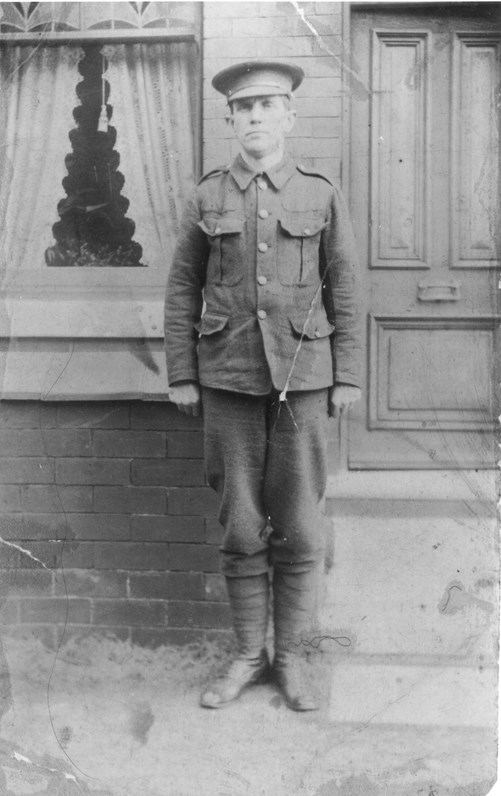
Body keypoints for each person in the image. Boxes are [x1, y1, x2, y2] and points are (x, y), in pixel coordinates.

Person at [164, 60, 361, 711]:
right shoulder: (207, 197)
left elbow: (346, 289)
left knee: (301, 528)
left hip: (302, 384)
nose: (254, 117)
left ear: (289, 115)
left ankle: (294, 657)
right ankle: (249, 653)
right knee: (241, 526)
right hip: (226, 383)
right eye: (243, 108)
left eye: (267, 105)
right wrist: (182, 373)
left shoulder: (319, 194)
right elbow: (180, 290)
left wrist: (348, 375)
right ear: (229, 119)